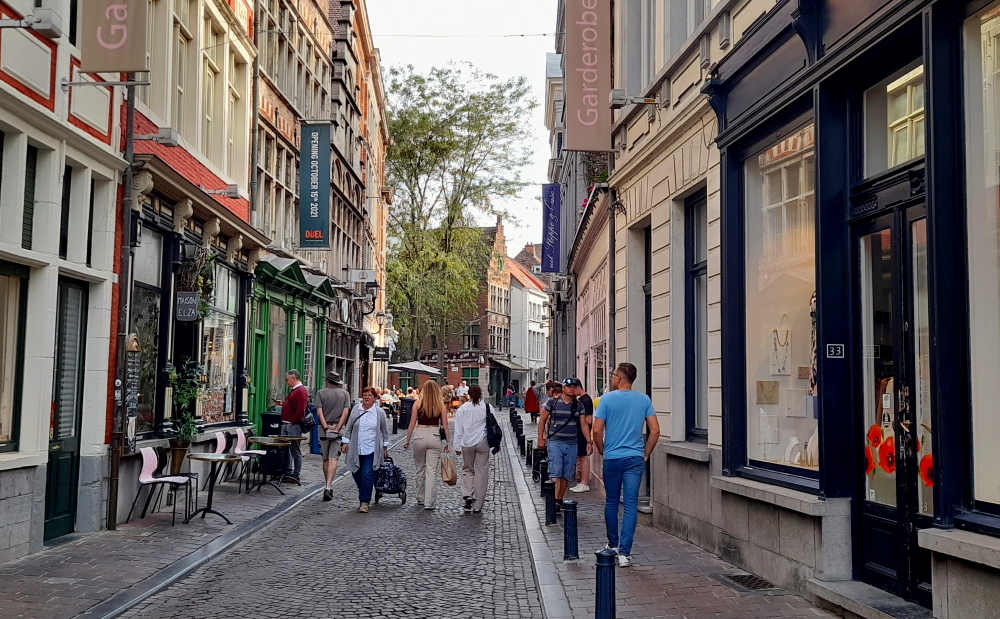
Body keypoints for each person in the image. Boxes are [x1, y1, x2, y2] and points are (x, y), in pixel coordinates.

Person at [593, 363, 661, 567]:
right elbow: (655, 430)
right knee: (631, 504)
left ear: (619, 378)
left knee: (612, 502)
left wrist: (602, 449)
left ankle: (613, 544)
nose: (612, 378)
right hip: (634, 458)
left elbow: (596, 430)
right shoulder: (644, 399)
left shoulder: (606, 399)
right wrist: (646, 453)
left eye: (613, 375)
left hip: (612, 457)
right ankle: (625, 553)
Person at [538, 377, 591, 512]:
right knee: (556, 471)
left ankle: (559, 499)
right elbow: (542, 420)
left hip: (572, 443)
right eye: (569, 386)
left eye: (574, 387)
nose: (572, 389)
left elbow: (584, 424)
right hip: (555, 441)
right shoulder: (553, 402)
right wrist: (541, 438)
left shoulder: (578, 405)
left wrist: (589, 441)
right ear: (563, 388)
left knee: (566, 474)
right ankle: (554, 501)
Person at [342, 386, 391, 513]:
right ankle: (365, 491)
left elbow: (384, 431)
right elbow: (349, 427)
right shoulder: (356, 409)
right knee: (356, 473)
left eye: (370, 395)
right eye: (365, 395)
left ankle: (364, 502)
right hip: (356, 447)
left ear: (375, 398)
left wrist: (385, 447)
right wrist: (345, 442)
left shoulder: (379, 413)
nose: (367, 397)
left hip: (372, 448)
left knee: (367, 474)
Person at [404, 380, 451, 509]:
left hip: (420, 434)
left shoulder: (417, 403)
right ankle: (429, 502)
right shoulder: (440, 405)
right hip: (435, 435)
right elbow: (445, 425)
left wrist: (408, 440)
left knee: (420, 468)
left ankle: (420, 497)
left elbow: (412, 424)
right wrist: (448, 442)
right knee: (431, 470)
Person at [453, 384, 495, 513]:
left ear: (469, 395)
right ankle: (478, 504)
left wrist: (457, 446)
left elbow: (458, 429)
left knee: (468, 469)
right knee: (482, 472)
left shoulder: (462, 409)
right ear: (481, 394)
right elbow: (494, 425)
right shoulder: (487, 407)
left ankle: (467, 494)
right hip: (483, 441)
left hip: (467, 442)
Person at [316, 372, 351, 501]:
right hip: (338, 428)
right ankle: (328, 486)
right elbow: (345, 413)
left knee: (325, 458)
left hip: (324, 429)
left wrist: (326, 428)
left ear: (328, 381)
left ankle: (328, 485)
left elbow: (319, 413)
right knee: (334, 458)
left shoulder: (320, 393)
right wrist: (337, 429)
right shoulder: (345, 394)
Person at [279, 370, 309, 481]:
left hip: (293, 424)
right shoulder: (294, 390)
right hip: (286, 423)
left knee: (295, 449)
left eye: (287, 379)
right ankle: (287, 471)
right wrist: (283, 404)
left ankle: (296, 474)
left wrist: (292, 422)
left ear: (293, 378)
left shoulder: (301, 390)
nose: (286, 381)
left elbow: (301, 410)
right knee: (284, 448)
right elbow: (293, 404)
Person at [566, 380, 595, 493]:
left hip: (583, 433)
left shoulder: (586, 400)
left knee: (583, 457)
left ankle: (584, 482)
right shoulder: (581, 400)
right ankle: (582, 481)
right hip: (579, 432)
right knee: (581, 457)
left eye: (573, 388)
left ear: (578, 387)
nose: (572, 391)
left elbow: (588, 420)